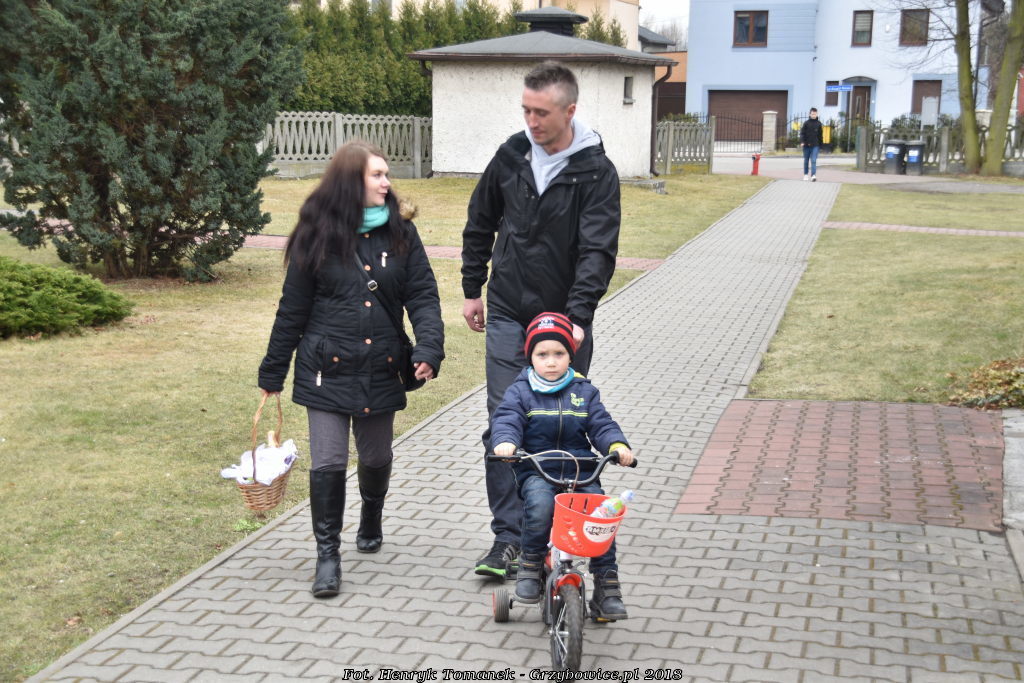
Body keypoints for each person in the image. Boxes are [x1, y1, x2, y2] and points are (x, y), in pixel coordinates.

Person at [258, 140, 444, 598]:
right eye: (376, 174)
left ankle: (371, 515)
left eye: (386, 174)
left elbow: (422, 294)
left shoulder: (401, 232)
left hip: (382, 364)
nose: (386, 182)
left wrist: (428, 347)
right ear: (349, 181)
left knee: (376, 457)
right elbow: (292, 309)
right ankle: (328, 556)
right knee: (329, 463)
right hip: (325, 368)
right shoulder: (315, 234)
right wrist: (273, 373)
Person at [461, 61, 622, 578]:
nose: (531, 121)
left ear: (569, 111)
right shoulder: (510, 155)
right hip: (509, 310)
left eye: (541, 112)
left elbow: (598, 250)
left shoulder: (595, 172)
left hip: (563, 319)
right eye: (526, 110)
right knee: (505, 423)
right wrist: (472, 289)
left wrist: (578, 316)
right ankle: (509, 539)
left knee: (563, 421)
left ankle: (558, 532)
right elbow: (480, 222)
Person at [490, 312, 635, 620]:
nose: (551, 362)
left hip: (581, 470)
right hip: (538, 469)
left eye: (559, 353)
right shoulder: (521, 391)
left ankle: (607, 585)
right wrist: (506, 442)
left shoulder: (584, 392)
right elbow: (507, 419)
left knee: (600, 517)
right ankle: (530, 565)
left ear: (571, 355)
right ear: (531, 357)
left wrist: (616, 446)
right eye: (542, 354)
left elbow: (601, 424)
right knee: (540, 505)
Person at [800, 108, 824, 181]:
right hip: (806, 145)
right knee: (806, 160)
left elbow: (820, 135)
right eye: (812, 114)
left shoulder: (819, 124)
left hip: (815, 145)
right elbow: (802, 133)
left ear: (817, 114)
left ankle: (813, 175)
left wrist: (821, 145)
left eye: (815, 114)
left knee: (813, 160)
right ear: (810, 114)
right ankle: (805, 174)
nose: (814, 115)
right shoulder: (806, 123)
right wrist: (802, 142)